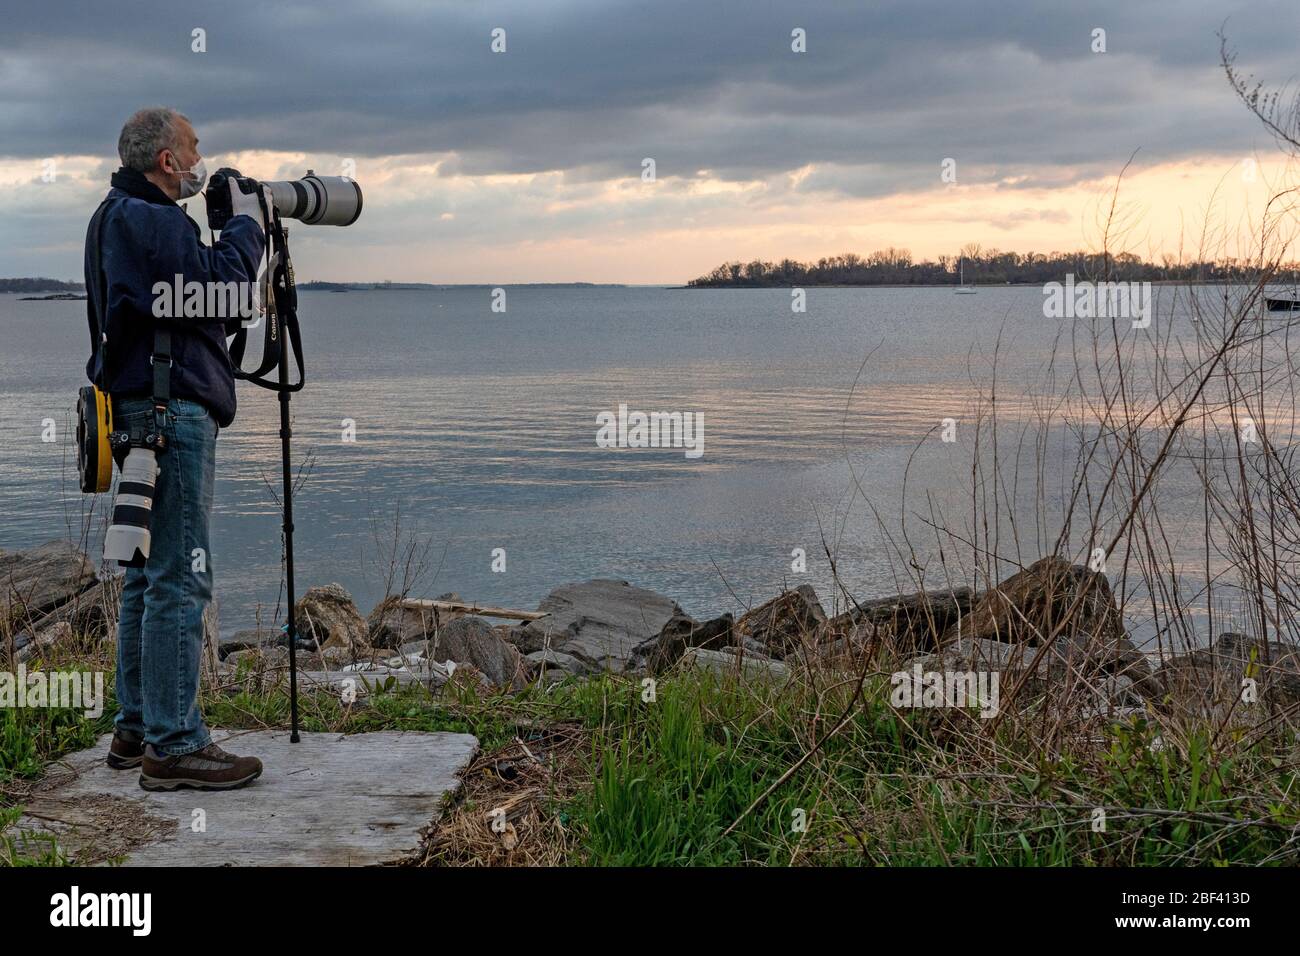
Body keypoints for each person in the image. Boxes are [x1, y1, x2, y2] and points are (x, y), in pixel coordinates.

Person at [85, 107, 266, 790]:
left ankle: (135, 728)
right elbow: (220, 293)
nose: (199, 159)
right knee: (179, 576)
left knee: (144, 570)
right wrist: (247, 224)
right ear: (166, 159)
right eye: (192, 148)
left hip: (136, 412)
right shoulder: (154, 219)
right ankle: (174, 742)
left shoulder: (112, 215)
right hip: (170, 414)